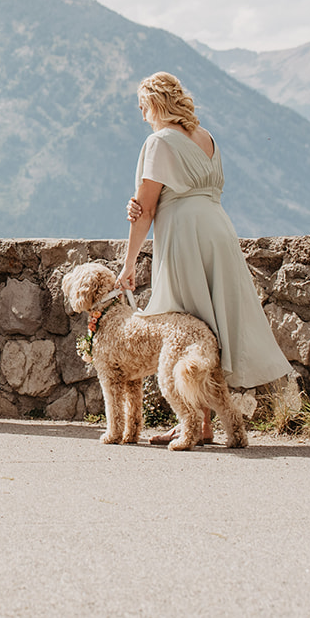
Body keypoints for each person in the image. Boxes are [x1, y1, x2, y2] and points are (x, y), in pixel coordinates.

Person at [117, 71, 291, 444]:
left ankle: (195, 422)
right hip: (218, 230)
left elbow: (145, 211)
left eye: (143, 107)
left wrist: (128, 264)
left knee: (188, 324)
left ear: (154, 104)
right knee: (213, 324)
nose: (142, 115)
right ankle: (207, 422)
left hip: (184, 234)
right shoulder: (206, 137)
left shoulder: (159, 141)